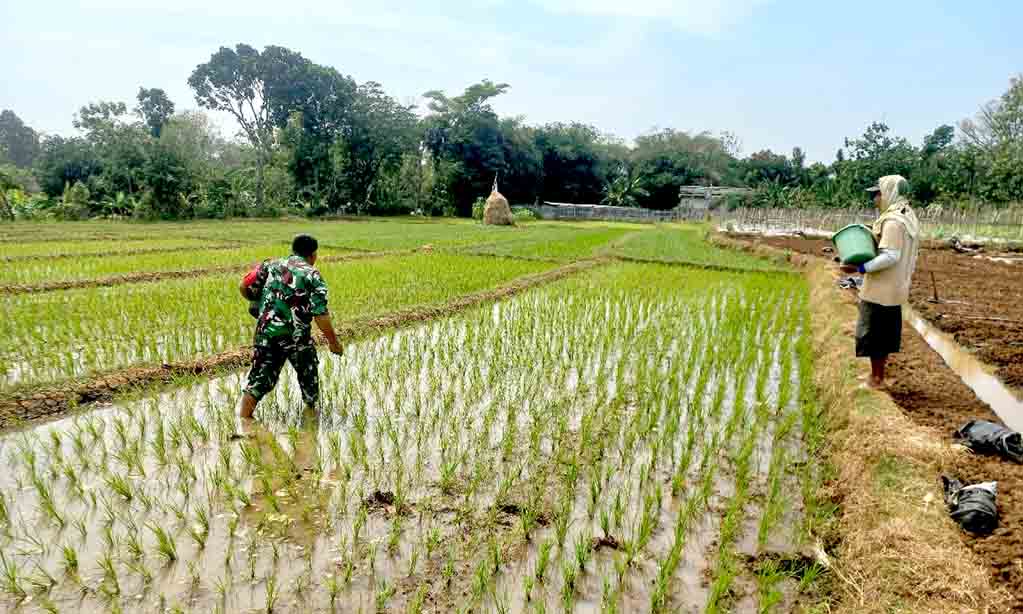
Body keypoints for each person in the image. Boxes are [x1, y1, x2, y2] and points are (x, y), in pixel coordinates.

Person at [239, 234, 344, 419]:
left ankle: (243, 422)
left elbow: (244, 285)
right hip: (297, 338)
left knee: (258, 382)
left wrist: (256, 300)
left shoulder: (270, 265)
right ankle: (310, 422)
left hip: (266, 333)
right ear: (313, 255)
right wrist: (334, 342)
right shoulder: (312, 274)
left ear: (294, 250)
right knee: (309, 381)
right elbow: (320, 315)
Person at [841, 175, 920, 388]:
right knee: (884, 334)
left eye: (877, 194)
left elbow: (890, 256)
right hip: (895, 287)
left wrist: (860, 268)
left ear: (888, 193)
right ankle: (877, 376)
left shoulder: (893, 222)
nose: (875, 199)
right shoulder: (908, 216)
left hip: (881, 288)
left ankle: (876, 379)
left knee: (874, 335)